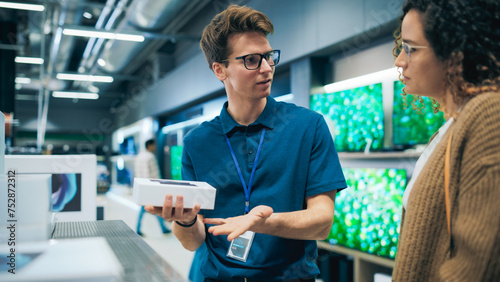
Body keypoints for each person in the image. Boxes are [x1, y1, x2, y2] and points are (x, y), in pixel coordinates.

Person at [146, 4, 347, 281]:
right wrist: (185, 220)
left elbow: (322, 223)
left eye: (269, 57)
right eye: (251, 60)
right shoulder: (197, 143)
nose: (266, 68)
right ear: (220, 70)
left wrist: (265, 223)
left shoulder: (308, 126)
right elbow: (193, 241)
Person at [392, 0, 500, 280]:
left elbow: (478, 265)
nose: (399, 61)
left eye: (411, 49)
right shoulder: (453, 125)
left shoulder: (488, 113)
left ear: (455, 51)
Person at [135, 139, 171, 236]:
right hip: (150, 186)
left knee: (148, 208)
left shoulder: (139, 156)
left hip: (142, 186)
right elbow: (155, 174)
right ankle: (162, 228)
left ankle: (139, 228)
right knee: (154, 207)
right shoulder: (150, 157)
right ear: (150, 146)